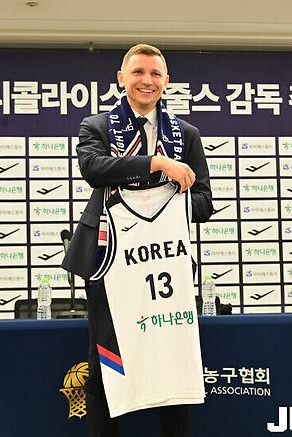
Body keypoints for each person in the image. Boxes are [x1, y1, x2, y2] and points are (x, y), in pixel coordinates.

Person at [61, 43, 213, 437]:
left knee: (173, 358)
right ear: (121, 78)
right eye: (138, 72)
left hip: (165, 263)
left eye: (155, 73)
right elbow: (94, 169)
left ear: (166, 81)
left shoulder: (187, 134)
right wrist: (157, 165)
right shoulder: (96, 126)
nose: (147, 80)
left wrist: (166, 204)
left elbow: (204, 202)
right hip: (109, 259)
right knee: (106, 362)